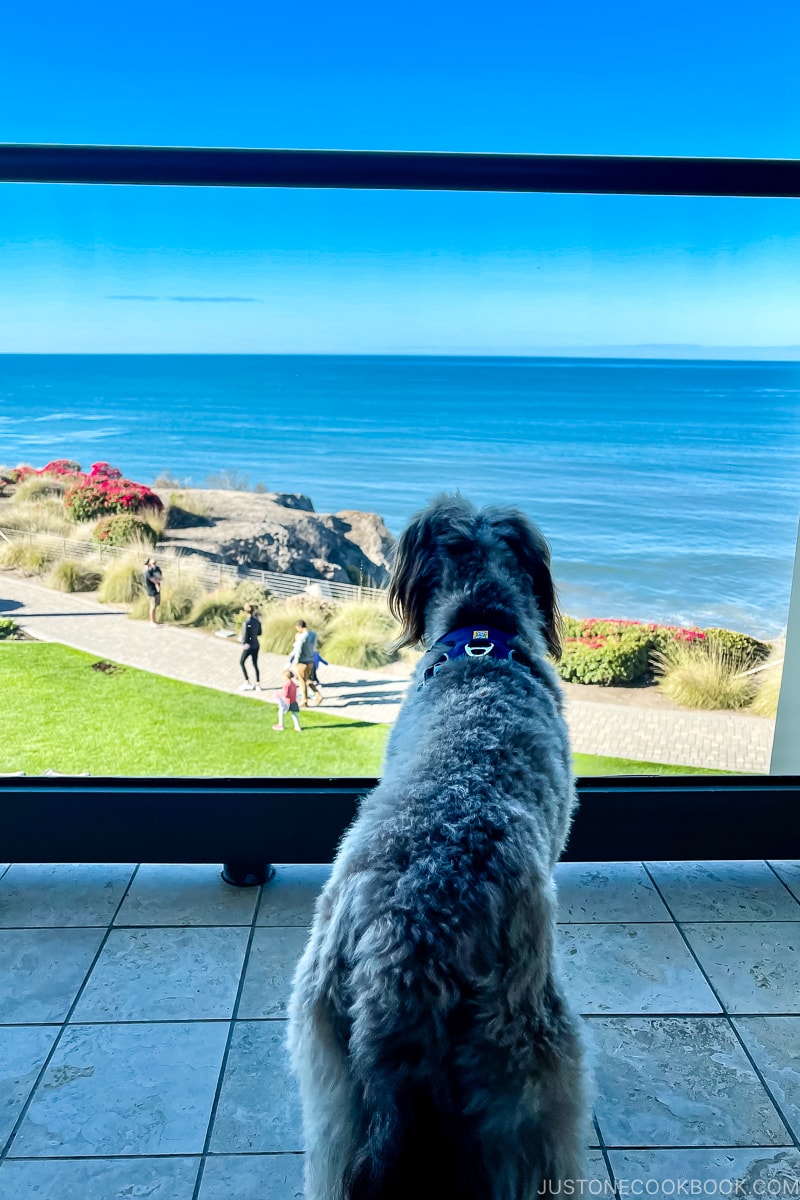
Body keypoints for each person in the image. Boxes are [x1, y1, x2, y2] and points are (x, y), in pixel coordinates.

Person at [288, 619, 324, 707]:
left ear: (299, 627)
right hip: (310, 660)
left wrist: (295, 661)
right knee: (307, 679)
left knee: (302, 682)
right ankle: (318, 695)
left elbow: (298, 650)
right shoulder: (313, 635)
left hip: (302, 662)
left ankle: (304, 701)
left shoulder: (301, 637)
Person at [239, 603, 262, 691]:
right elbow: (259, 633)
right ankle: (258, 683)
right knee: (255, 664)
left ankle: (247, 681)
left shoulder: (246, 623)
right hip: (256, 644)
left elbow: (245, 636)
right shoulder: (257, 621)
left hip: (248, 646)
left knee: (242, 662)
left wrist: (243, 642)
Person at [143, 558, 162, 626]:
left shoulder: (157, 569)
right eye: (152, 564)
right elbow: (152, 579)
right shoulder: (148, 571)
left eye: (155, 563)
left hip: (157, 590)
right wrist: (156, 583)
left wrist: (158, 580)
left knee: (155, 606)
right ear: (150, 564)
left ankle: (154, 620)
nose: (154, 565)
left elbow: (159, 577)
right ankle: (152, 622)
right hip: (151, 590)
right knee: (152, 606)